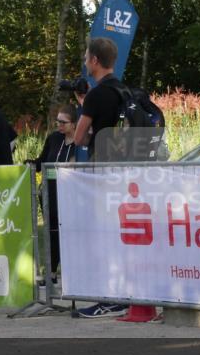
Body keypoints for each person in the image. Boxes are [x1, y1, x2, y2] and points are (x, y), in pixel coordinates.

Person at [71, 38, 134, 319]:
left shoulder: (96, 95)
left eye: (87, 57)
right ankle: (127, 294)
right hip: (128, 171)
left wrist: (85, 110)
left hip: (104, 171)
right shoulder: (125, 90)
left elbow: (78, 137)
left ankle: (110, 298)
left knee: (103, 234)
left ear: (95, 60)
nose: (85, 62)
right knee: (121, 234)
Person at [35, 104, 78, 281]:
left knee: (70, 233)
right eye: (57, 121)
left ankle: (72, 272)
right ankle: (51, 271)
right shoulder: (54, 138)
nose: (59, 125)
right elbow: (41, 162)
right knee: (52, 232)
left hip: (71, 196)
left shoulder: (81, 143)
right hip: (50, 194)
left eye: (63, 122)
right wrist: (30, 164)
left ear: (74, 124)